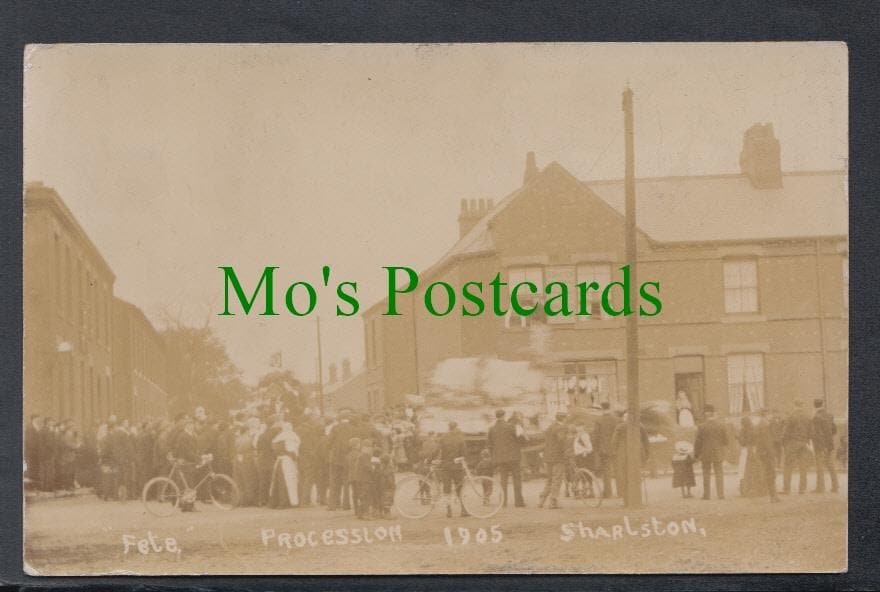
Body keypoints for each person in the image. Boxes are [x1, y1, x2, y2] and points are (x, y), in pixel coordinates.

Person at [487, 409, 525, 507]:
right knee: (517, 478)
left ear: (496, 416)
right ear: (504, 416)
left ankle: (503, 502)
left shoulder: (492, 429)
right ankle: (518, 502)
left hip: (500, 459)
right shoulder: (511, 426)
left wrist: (495, 456)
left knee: (503, 480)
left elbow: (489, 445)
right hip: (514, 458)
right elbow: (521, 439)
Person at [693, 404, 728, 500]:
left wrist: (696, 455)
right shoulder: (721, 425)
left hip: (705, 453)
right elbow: (726, 441)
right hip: (718, 453)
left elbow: (697, 443)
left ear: (706, 415)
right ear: (714, 414)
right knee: (719, 473)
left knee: (706, 474)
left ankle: (707, 495)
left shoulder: (702, 427)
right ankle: (721, 495)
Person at [436, 421, 468, 518]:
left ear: (448, 427)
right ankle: (463, 510)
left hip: (445, 466)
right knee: (460, 488)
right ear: (456, 427)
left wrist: (428, 459)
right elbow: (464, 454)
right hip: (457, 467)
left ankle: (449, 510)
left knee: (447, 489)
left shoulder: (443, 437)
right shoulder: (460, 438)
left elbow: (437, 450)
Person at [538, 412, 568, 509]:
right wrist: (566, 452)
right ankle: (553, 502)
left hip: (548, 457)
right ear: (563, 419)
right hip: (557, 457)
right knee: (557, 480)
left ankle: (541, 501)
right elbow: (561, 441)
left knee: (550, 479)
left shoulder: (550, 427)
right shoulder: (561, 428)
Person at [782, 400, 812, 495]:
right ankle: (802, 489)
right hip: (804, 443)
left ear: (794, 405)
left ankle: (787, 489)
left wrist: (784, 443)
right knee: (803, 467)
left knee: (788, 466)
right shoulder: (807, 417)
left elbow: (785, 432)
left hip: (792, 443)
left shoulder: (791, 416)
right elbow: (811, 431)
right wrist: (806, 440)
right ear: (802, 405)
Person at [268, 421, 300, 509]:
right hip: (287, 461)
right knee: (288, 481)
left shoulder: (278, 438)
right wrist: (296, 459)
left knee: (278, 481)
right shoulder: (290, 436)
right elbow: (291, 450)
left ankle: (275, 502)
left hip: (279, 461)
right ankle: (286, 502)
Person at [811, 398, 839, 493]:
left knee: (820, 466)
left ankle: (820, 487)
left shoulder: (816, 417)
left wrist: (821, 446)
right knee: (830, 465)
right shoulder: (830, 415)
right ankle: (835, 486)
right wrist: (829, 442)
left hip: (820, 446)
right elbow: (834, 430)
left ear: (814, 406)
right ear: (823, 404)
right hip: (830, 445)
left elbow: (817, 434)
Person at [752, 408, 781, 503]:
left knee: (768, 473)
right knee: (771, 473)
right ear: (765, 415)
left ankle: (772, 495)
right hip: (767, 453)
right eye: (769, 414)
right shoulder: (765, 425)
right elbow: (767, 441)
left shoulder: (760, 424)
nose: (771, 416)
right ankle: (773, 496)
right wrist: (772, 453)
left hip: (762, 452)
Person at [592, 402, 620, 498]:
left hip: (604, 449)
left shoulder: (599, 421)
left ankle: (608, 493)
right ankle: (621, 492)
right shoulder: (616, 420)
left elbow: (596, 436)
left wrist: (595, 447)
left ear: (602, 409)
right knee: (618, 470)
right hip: (616, 448)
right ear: (610, 408)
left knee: (606, 472)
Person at [350, 438, 375, 519]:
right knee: (365, 495)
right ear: (364, 448)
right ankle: (365, 514)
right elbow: (368, 467)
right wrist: (374, 469)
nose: (370, 449)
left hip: (360, 478)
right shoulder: (365, 455)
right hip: (364, 479)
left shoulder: (362, 455)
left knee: (362, 495)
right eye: (369, 447)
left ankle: (361, 513)